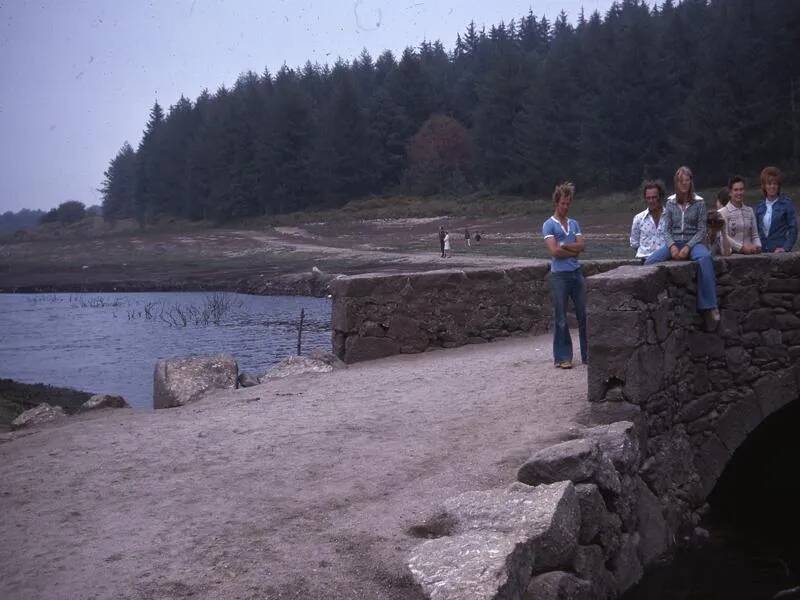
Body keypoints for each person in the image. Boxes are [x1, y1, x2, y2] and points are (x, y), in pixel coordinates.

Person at [644, 166, 720, 331]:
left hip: (693, 242)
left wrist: (687, 247)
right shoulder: (671, 202)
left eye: (687, 180)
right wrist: (671, 246)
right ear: (676, 183)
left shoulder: (699, 202)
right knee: (650, 261)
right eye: (681, 181)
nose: (684, 183)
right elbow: (666, 229)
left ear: (691, 181)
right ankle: (649, 304)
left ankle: (709, 307)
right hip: (674, 241)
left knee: (705, 258)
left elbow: (701, 230)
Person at [542, 182, 586, 369]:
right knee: (561, 317)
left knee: (584, 314)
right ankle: (563, 357)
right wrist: (572, 249)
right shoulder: (548, 225)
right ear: (556, 203)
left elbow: (582, 246)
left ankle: (588, 354)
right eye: (562, 203)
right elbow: (554, 251)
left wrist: (566, 246)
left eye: (568, 203)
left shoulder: (574, 223)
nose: (565, 207)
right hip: (559, 275)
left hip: (576, 273)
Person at [755, 166, 797, 253]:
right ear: (764, 186)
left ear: (778, 186)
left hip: (779, 253)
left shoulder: (786, 204)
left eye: (775, 184)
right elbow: (755, 231)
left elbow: (793, 229)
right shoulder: (760, 206)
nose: (772, 187)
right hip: (762, 252)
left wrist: (785, 248)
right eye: (769, 184)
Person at [718, 176, 761, 254]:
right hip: (732, 255)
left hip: (751, 253)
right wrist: (741, 248)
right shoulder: (722, 212)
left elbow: (755, 235)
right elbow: (724, 236)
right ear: (730, 193)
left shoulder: (750, 211)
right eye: (736, 190)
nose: (739, 193)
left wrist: (758, 247)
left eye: (741, 189)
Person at [630, 180, 667, 263]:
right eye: (648, 198)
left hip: (666, 260)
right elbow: (634, 243)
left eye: (654, 197)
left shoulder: (670, 217)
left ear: (660, 197)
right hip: (645, 261)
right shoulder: (638, 218)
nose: (651, 201)